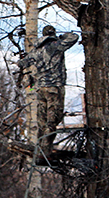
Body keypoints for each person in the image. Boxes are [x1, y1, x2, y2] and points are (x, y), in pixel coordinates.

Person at [18, 25, 79, 156]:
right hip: (54, 88)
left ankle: (39, 150)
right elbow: (74, 37)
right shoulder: (55, 46)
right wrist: (62, 36)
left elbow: (22, 63)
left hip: (40, 89)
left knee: (41, 121)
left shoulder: (36, 50)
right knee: (52, 121)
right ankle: (45, 152)